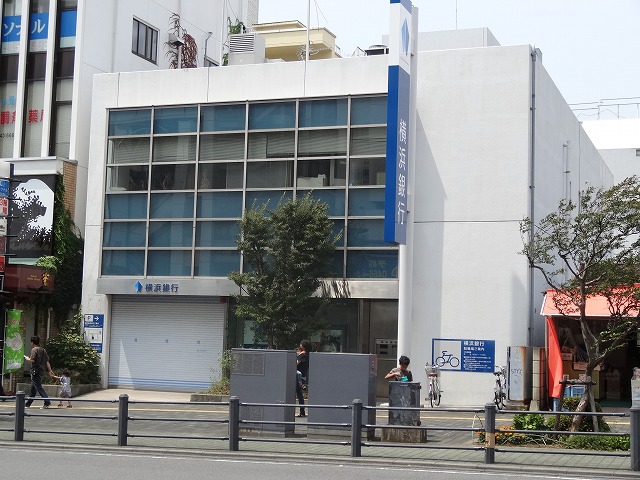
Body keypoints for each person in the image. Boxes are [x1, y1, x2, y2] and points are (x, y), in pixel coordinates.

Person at [23, 335, 53, 408]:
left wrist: (27, 358)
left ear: (32, 342)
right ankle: (28, 404)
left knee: (38, 387)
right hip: (41, 371)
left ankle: (47, 402)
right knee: (33, 388)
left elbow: (32, 360)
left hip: (35, 371)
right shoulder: (43, 350)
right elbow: (47, 362)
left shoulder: (34, 349)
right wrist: (50, 370)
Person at [295, 339, 312, 417]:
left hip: (298, 376)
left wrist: (298, 355)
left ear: (303, 346)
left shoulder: (302, 355)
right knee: (299, 394)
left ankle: (302, 412)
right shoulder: (308, 355)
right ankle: (302, 411)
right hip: (303, 376)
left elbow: (295, 363)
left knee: (299, 394)